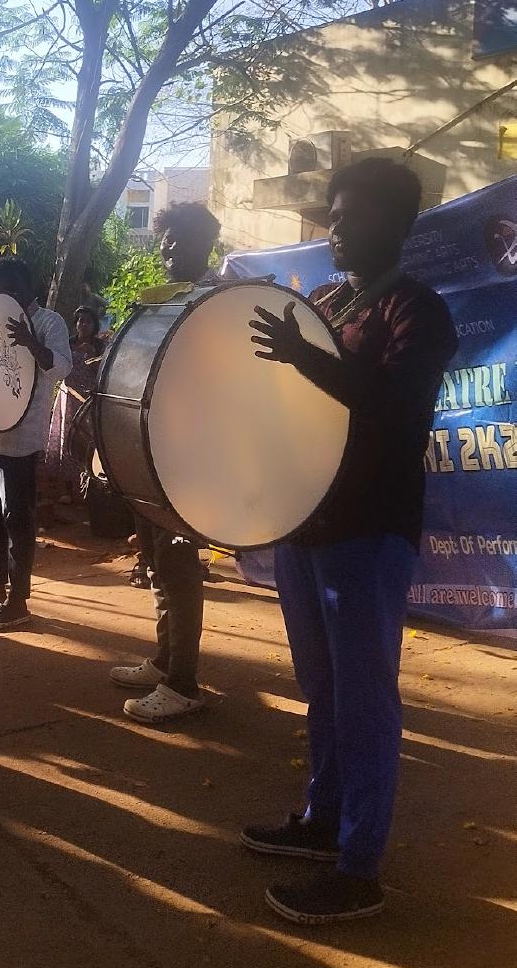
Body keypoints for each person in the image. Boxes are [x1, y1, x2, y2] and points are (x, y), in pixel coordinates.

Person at [243, 157, 457, 925]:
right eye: (332, 215)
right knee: (323, 688)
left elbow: (401, 412)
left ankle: (359, 866)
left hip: (369, 530)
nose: (334, 228)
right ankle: (322, 820)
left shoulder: (416, 311)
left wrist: (307, 357)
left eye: (352, 216)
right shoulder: (329, 301)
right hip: (310, 522)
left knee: (365, 698)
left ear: (397, 226)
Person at [108, 202, 222, 724]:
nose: (167, 249)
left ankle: (183, 682)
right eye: (165, 239)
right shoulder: (161, 303)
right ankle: (163, 659)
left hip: (189, 456)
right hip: (149, 452)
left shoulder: (218, 302)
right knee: (155, 561)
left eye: (179, 240)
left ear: (205, 244)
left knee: (178, 569)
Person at [0, 257, 71, 632]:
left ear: (25, 287)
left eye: (5, 289)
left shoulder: (50, 322)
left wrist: (30, 342)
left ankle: (17, 601)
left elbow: (62, 368)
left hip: (19, 438)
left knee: (17, 518)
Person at [44, 305, 107, 498]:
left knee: (87, 442)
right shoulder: (67, 344)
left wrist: (95, 359)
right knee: (66, 440)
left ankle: (87, 487)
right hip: (67, 398)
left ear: (94, 325)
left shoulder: (100, 347)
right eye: (80, 321)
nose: (83, 325)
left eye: (88, 321)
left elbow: (105, 372)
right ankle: (66, 487)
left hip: (87, 402)